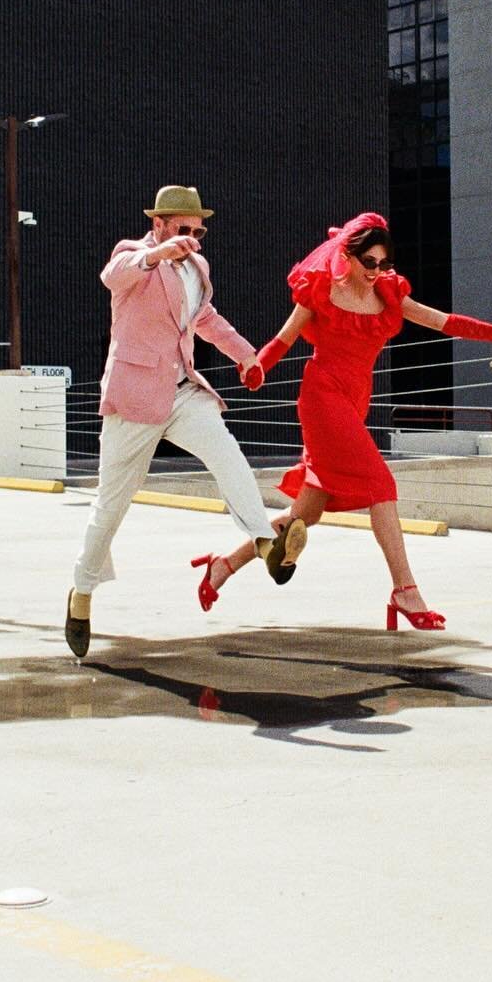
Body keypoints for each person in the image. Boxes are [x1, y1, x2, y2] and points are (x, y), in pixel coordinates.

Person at [204, 212, 492, 631]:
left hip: (354, 400)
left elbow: (447, 323)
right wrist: (256, 367)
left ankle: (224, 566)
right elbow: (283, 339)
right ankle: (405, 590)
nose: (377, 272)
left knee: (307, 512)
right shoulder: (319, 291)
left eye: (384, 264)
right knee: (382, 484)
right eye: (370, 263)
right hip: (322, 398)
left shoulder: (389, 293)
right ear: (347, 256)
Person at [65, 185, 308, 660]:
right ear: (159, 223)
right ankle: (81, 595)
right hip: (134, 400)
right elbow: (113, 277)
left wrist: (247, 357)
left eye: (199, 230)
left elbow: (206, 319)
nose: (194, 237)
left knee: (227, 452)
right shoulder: (134, 254)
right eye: (184, 228)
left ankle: (264, 544)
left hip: (182, 393)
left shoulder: (198, 268)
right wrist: (158, 252)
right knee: (110, 509)